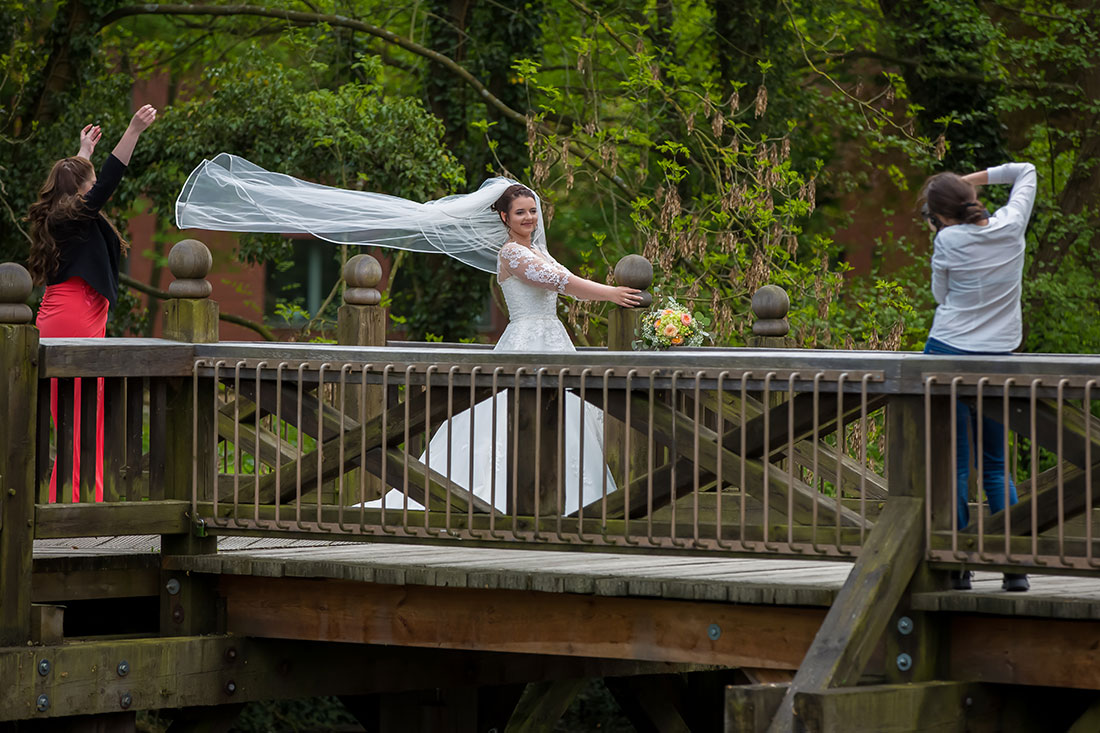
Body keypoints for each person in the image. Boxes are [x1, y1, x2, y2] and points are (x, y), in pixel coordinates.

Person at [175, 159, 641, 513]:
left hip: (553, 342)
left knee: (564, 423)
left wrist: (602, 293)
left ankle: (564, 504)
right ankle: (492, 503)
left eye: (533, 211)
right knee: (505, 426)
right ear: (502, 218)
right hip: (524, 345)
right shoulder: (514, 256)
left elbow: (567, 282)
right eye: (521, 212)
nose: (530, 219)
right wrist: (613, 293)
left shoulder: (536, 249)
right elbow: (564, 284)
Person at [27, 104, 158, 502]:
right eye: (91, 179)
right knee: (81, 415)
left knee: (84, 413)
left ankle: (80, 499)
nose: (97, 183)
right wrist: (133, 130)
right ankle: (77, 501)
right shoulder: (70, 217)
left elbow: (79, 184)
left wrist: (82, 153)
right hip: (72, 314)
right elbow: (103, 185)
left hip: (77, 313)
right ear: (83, 188)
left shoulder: (67, 215)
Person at [919, 161, 1036, 592]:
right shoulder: (1012, 225)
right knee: (996, 466)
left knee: (954, 466)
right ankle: (1014, 566)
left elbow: (940, 296)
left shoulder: (948, 239)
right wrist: (967, 183)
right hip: (998, 359)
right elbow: (1026, 170)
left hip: (948, 354)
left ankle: (958, 566)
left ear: (940, 218)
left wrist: (950, 207)